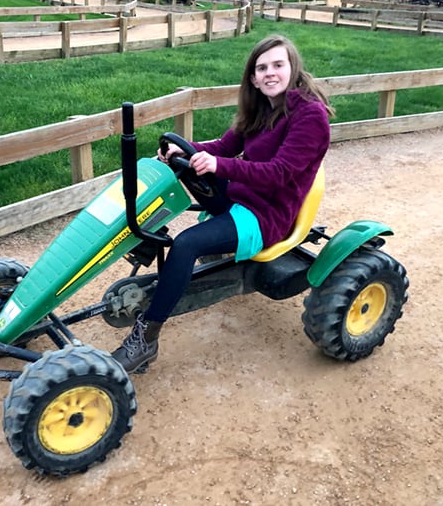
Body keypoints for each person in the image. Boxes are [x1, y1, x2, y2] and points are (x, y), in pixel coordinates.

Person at [112, 34, 334, 373]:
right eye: (261, 68)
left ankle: (146, 340)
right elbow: (224, 146)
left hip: (267, 215)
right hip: (240, 196)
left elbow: (279, 173)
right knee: (181, 170)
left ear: (293, 68)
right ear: (253, 78)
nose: (269, 74)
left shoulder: (310, 116)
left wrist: (218, 166)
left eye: (278, 65)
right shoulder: (262, 110)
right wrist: (184, 150)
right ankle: (146, 240)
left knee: (186, 245)